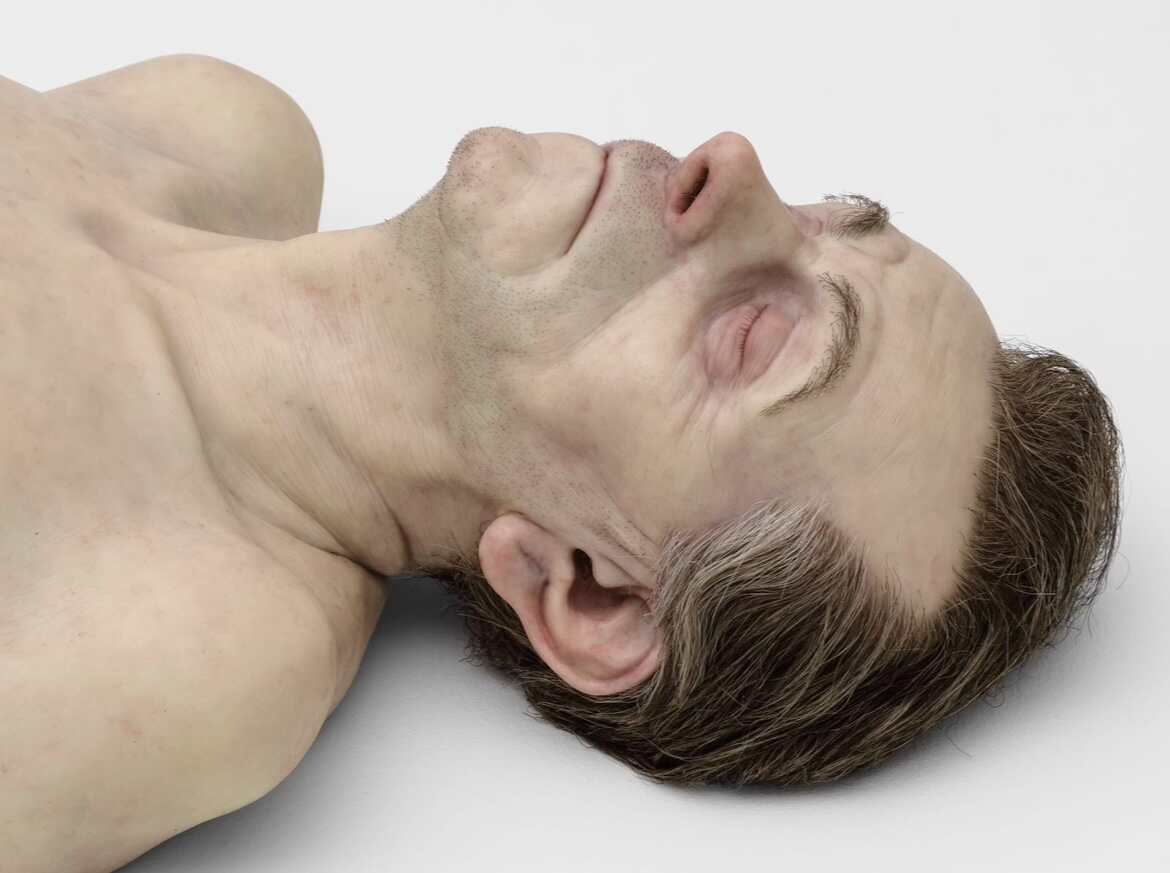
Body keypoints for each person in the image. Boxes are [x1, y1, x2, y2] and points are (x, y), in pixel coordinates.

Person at [0, 53, 1122, 872]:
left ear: (594, 593)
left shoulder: (193, 656)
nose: (731, 163)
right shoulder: (219, 130)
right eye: (821, 217)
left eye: (753, 338)